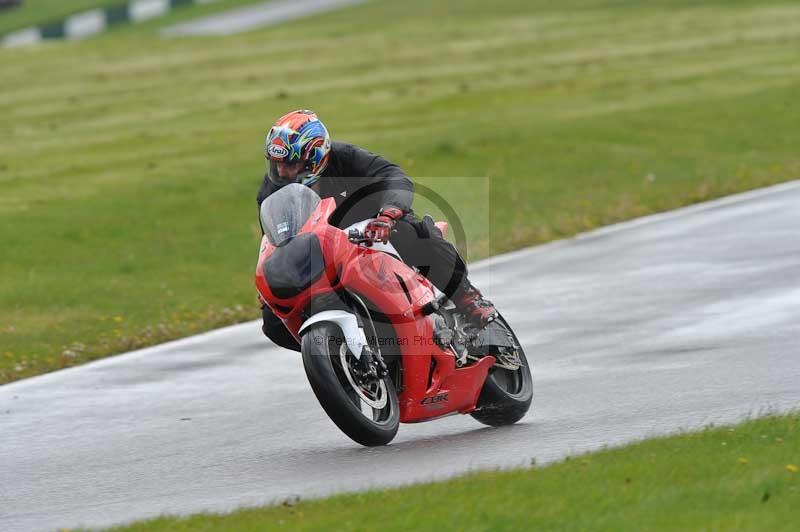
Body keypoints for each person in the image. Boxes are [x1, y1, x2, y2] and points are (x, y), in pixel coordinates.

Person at [257, 109, 496, 351]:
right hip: (325, 252)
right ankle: (337, 355)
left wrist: (389, 213)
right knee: (272, 321)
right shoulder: (271, 190)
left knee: (413, 232)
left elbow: (393, 177)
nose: (281, 172)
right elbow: (275, 240)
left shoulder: (347, 158)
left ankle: (467, 299)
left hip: (376, 228)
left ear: (315, 157)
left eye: (290, 164)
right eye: (276, 164)